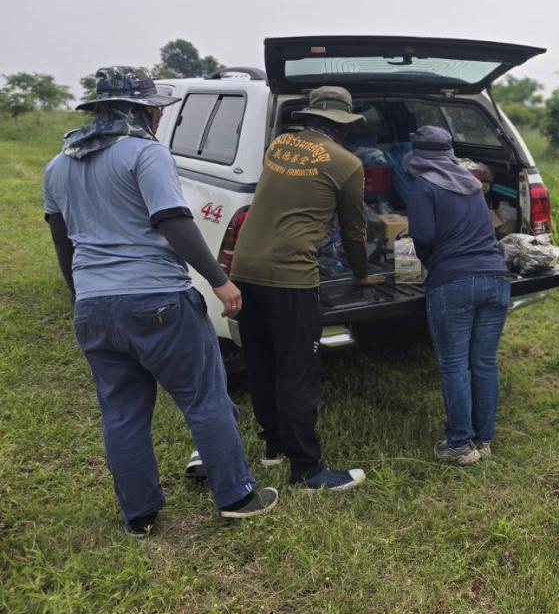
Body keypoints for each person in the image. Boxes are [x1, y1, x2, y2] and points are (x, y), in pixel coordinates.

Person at [43, 66, 278, 536]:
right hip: (156, 299)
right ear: (145, 111)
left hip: (94, 306)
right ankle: (236, 496)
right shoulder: (146, 154)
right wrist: (220, 281)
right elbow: (172, 219)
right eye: (155, 110)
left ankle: (140, 515)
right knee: (205, 398)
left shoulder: (59, 164)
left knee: (122, 412)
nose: (158, 116)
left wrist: (80, 296)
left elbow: (62, 241)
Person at [227, 86, 380, 492]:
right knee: (298, 371)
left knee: (262, 362)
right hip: (291, 276)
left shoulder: (278, 146)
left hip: (245, 268)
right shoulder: (347, 163)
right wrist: (361, 272)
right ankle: (307, 470)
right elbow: (354, 230)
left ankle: (274, 445)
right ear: (343, 124)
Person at [406, 125, 511, 466]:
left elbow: (423, 237)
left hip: (454, 283)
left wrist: (432, 265)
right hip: (496, 278)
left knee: (454, 364)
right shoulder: (472, 185)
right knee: (484, 362)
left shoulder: (424, 187)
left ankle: (460, 444)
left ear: (417, 157)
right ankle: (484, 439)